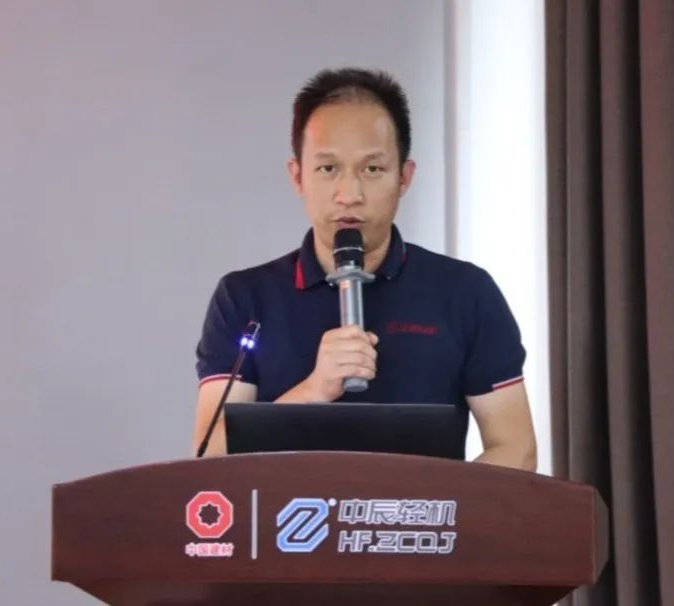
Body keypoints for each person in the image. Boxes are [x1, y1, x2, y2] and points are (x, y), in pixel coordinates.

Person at [192, 67, 537, 470]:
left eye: (372, 169)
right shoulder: (244, 298)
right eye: (328, 169)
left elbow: (515, 448)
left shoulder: (465, 292)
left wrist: (438, 505)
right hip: (282, 513)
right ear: (298, 176)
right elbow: (208, 458)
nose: (349, 194)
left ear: (404, 177)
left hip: (419, 512)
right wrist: (314, 390)